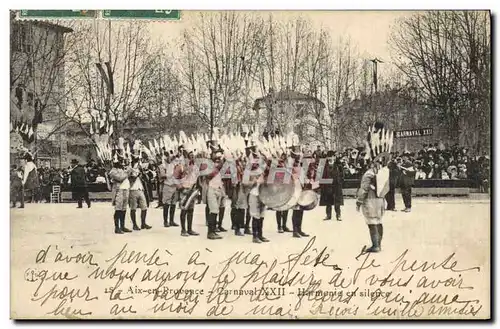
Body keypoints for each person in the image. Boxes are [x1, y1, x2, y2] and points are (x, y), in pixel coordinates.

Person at [356, 159, 385, 253]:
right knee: (379, 221)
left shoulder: (368, 174)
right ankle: (378, 244)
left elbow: (364, 189)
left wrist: (359, 201)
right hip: (380, 200)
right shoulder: (382, 172)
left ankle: (375, 245)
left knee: (372, 223)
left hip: (370, 200)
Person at [108, 156, 132, 234]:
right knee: (118, 208)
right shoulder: (112, 171)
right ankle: (116, 227)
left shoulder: (123, 169)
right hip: (119, 190)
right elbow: (120, 178)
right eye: (120, 161)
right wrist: (127, 172)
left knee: (124, 208)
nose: (122, 163)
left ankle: (122, 226)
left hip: (126, 189)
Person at [128, 156, 152, 231]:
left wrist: (143, 173)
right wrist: (136, 174)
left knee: (144, 207)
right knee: (133, 208)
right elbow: (129, 179)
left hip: (140, 189)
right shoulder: (129, 169)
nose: (138, 163)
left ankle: (143, 223)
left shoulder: (140, 170)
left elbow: (147, 179)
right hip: (132, 190)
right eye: (136, 161)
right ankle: (134, 225)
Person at [320, 150, 344, 221]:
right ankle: (328, 215)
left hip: (336, 187)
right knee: (328, 202)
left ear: (334, 157)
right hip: (327, 187)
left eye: (332, 156)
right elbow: (319, 178)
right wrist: (327, 182)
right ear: (327, 157)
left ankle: (338, 215)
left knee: (337, 202)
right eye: (329, 157)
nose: (331, 158)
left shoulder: (338, 166)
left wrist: (339, 182)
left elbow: (342, 176)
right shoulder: (323, 166)